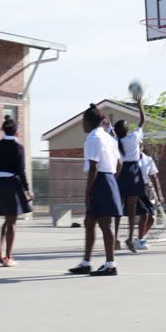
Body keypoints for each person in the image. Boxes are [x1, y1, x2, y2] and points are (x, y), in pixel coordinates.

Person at [69, 104, 123, 276]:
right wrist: (111, 181)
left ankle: (110, 264)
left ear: (88, 122)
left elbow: (93, 168)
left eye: (83, 122)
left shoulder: (93, 139)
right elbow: (119, 163)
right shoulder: (109, 138)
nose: (82, 125)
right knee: (89, 222)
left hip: (100, 181)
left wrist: (88, 193)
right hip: (108, 180)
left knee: (105, 225)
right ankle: (86, 262)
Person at [0, 115, 33, 267]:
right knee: (12, 222)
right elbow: (21, 171)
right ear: (16, 132)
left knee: (8, 219)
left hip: (0, 184)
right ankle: (8, 257)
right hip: (13, 184)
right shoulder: (18, 148)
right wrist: (27, 190)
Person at [113, 97, 146, 253]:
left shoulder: (116, 140)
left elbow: (114, 135)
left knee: (119, 207)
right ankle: (130, 238)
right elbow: (142, 121)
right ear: (126, 129)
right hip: (133, 172)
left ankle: (115, 238)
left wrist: (110, 128)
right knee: (132, 208)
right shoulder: (133, 137)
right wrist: (140, 104)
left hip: (121, 172)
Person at [135, 142, 164, 250]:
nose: (138, 148)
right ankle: (139, 240)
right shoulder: (130, 160)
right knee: (144, 215)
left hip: (147, 189)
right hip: (135, 190)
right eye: (136, 146)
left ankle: (139, 238)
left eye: (140, 146)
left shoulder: (148, 159)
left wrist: (159, 194)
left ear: (143, 147)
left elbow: (154, 177)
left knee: (151, 218)